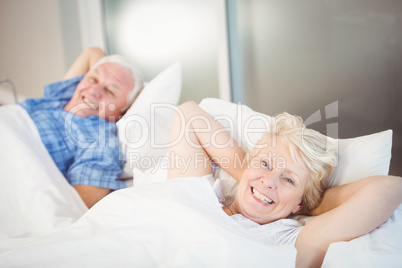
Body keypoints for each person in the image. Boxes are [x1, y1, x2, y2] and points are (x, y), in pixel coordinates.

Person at [167, 101, 402, 268]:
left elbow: (390, 188)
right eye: (266, 163)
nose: (269, 181)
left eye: (289, 179)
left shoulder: (292, 242)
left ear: (300, 204)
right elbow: (189, 114)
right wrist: (251, 177)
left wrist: (310, 202)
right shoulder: (200, 196)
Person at [19, 47, 144, 208]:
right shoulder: (61, 97)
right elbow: (92, 52)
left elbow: (73, 207)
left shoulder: (101, 141)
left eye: (110, 91)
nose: (93, 90)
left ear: (123, 110)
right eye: (93, 79)